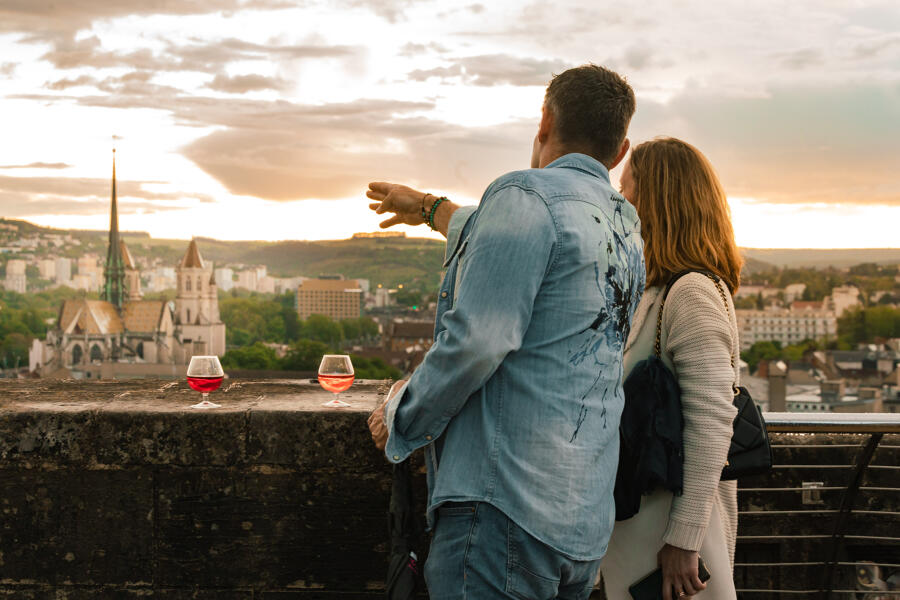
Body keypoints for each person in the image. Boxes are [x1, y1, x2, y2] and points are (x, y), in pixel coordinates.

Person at [366, 64, 645, 599]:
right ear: (621, 149)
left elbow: (477, 342)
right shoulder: (622, 224)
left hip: (505, 510)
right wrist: (428, 208)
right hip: (581, 520)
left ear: (544, 121)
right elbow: (524, 242)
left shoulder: (525, 194)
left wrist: (404, 416)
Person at [601, 137, 743, 600]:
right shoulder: (662, 289)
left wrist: (684, 539)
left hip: (670, 535)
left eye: (628, 189)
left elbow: (712, 421)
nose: (621, 201)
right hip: (647, 523)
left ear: (656, 199)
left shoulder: (692, 293)